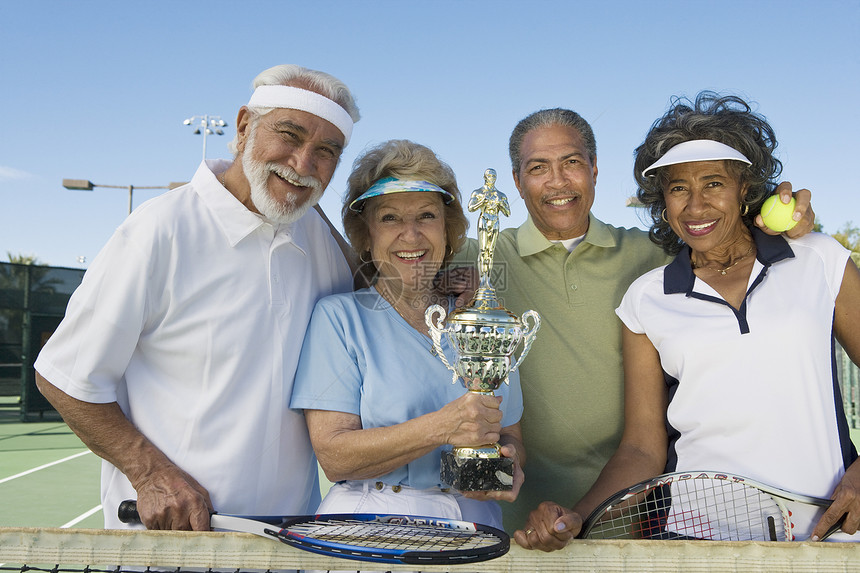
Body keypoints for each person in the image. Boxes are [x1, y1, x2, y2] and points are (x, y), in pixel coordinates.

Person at [515, 92, 860, 548]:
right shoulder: (646, 297)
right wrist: (576, 518)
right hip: (698, 539)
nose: (695, 205)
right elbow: (642, 448)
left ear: (745, 189)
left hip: (827, 532)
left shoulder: (819, 259)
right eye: (678, 188)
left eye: (714, 183)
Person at [450, 106, 816, 532]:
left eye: (571, 163)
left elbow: (724, 236)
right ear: (517, 181)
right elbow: (393, 270)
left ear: (594, 169)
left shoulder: (653, 256)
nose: (557, 181)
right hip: (515, 506)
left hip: (636, 507)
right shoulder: (478, 257)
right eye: (538, 168)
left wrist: (785, 219)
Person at [33, 64, 360, 530]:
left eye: (327, 151)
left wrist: (448, 284)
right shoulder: (159, 229)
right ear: (244, 125)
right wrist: (151, 473)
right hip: (168, 546)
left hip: (288, 544)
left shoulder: (321, 243)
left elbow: (382, 303)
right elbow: (64, 376)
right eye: (289, 135)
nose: (303, 163)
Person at [290, 140, 524, 530]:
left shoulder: (482, 322)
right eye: (390, 218)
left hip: (477, 524)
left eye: (427, 216)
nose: (411, 235)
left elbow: (511, 436)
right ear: (365, 235)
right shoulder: (340, 318)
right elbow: (334, 455)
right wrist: (442, 426)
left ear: (449, 232)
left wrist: (508, 466)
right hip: (369, 522)